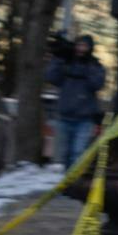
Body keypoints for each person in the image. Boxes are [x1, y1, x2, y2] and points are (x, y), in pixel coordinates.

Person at [46, 34, 107, 168]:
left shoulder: (95, 65)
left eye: (84, 46)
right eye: (78, 45)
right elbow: (51, 77)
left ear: (90, 48)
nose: (81, 49)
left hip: (84, 120)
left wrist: (87, 65)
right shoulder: (67, 62)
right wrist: (58, 58)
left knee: (77, 154)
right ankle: (67, 184)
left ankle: (74, 184)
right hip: (64, 117)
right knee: (64, 155)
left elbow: (97, 84)